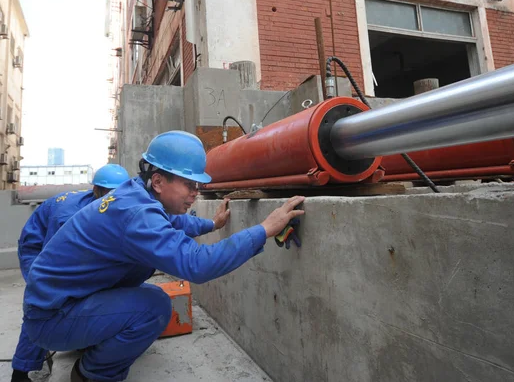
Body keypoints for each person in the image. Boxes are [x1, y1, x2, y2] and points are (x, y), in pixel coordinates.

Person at [21, 130, 305, 382]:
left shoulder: (136, 194)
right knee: (153, 307)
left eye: (198, 186)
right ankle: (92, 375)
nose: (196, 193)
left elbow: (174, 223)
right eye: (189, 185)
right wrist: (264, 229)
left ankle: (92, 346)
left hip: (63, 301)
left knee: (142, 293)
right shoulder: (137, 214)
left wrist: (212, 224)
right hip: (52, 317)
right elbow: (197, 264)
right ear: (158, 181)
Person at [12, 164, 130, 382]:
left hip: (55, 249)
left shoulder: (110, 208)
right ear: (96, 190)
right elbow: (54, 264)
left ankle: (82, 339)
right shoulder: (69, 217)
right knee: (44, 304)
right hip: (37, 250)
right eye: (109, 193)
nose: (115, 199)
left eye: (120, 193)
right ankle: (21, 372)